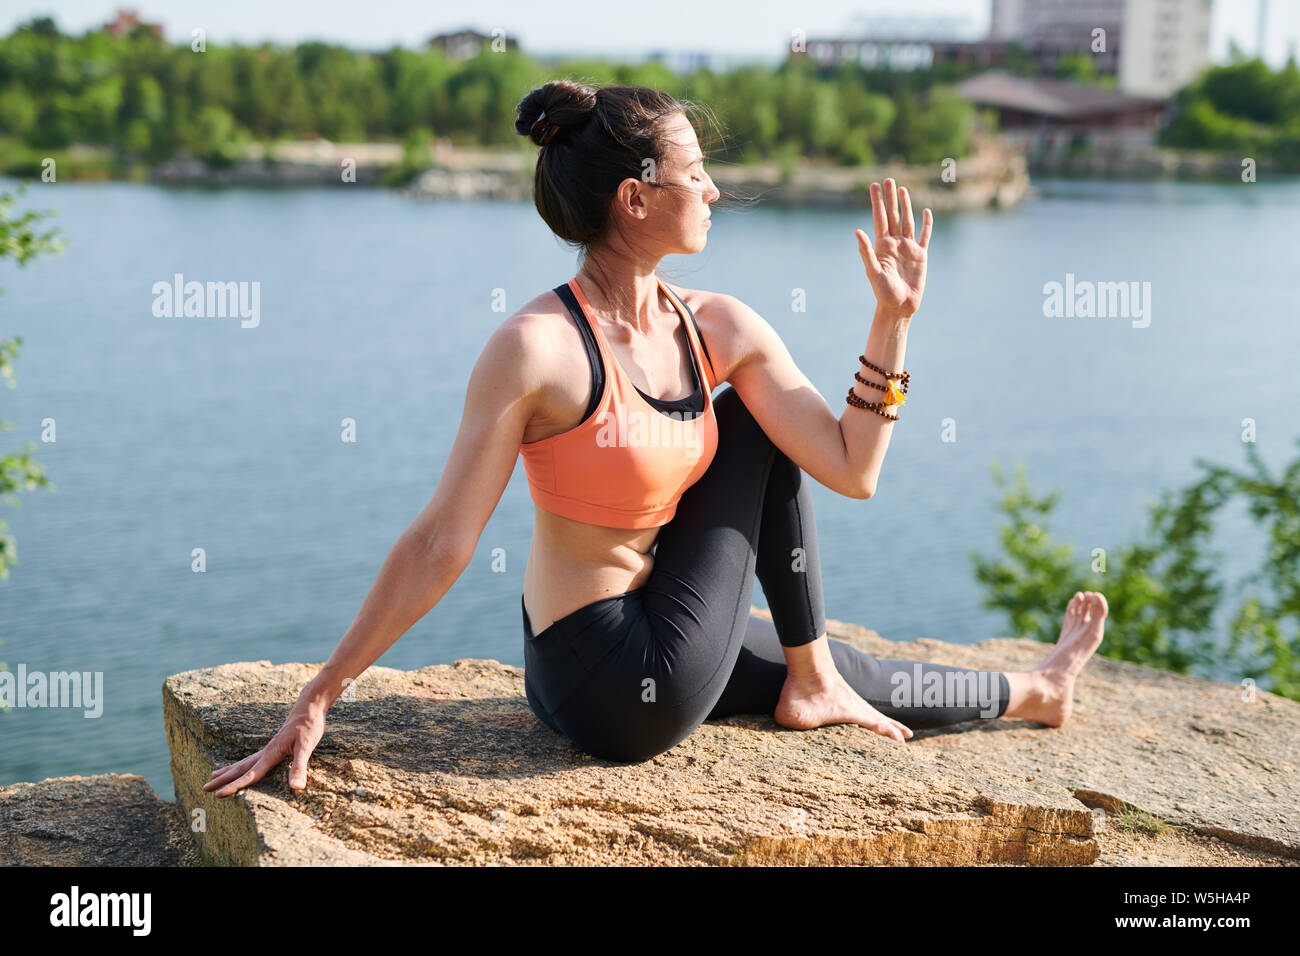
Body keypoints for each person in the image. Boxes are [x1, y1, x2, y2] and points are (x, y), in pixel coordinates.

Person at [205, 81, 1108, 797]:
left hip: (644, 641)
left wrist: (893, 323)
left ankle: (1032, 692)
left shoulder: (718, 325)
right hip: (608, 676)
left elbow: (850, 467)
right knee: (756, 434)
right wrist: (322, 692)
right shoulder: (537, 349)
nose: (714, 189)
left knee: (839, 661)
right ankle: (811, 677)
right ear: (636, 199)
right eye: (695, 173)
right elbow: (444, 539)